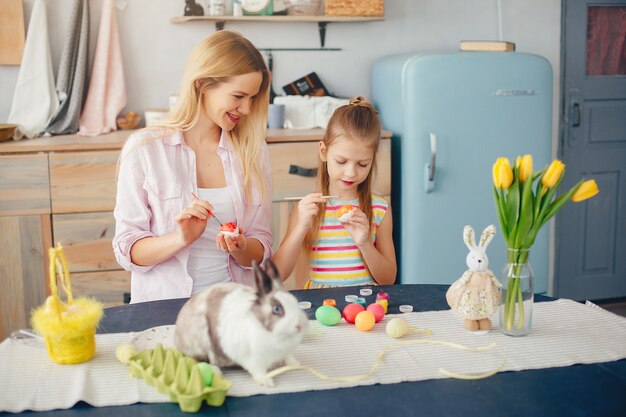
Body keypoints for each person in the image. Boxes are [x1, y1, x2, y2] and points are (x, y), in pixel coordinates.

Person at [113, 31, 273, 303]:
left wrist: (241, 248)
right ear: (202, 85)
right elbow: (127, 250)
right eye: (238, 96)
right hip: (165, 311)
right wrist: (180, 238)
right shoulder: (145, 149)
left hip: (238, 309)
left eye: (253, 98)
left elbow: (262, 248)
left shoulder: (253, 152)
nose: (246, 108)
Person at [273, 97, 397, 288]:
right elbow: (278, 274)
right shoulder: (308, 209)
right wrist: (301, 227)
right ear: (323, 151)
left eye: (363, 164)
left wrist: (364, 243)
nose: (351, 172)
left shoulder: (379, 209)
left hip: (364, 307)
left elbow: (388, 279)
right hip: (322, 306)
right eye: (341, 161)